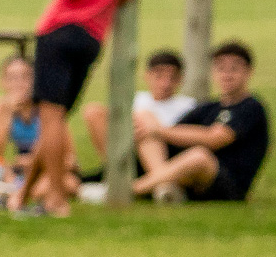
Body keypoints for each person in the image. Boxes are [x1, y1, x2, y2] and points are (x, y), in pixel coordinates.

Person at [12, 0, 134, 218]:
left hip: (60, 30)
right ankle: (21, 197)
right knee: (57, 120)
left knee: (49, 120)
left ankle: (54, 200)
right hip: (94, 36)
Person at [133, 41, 269, 204]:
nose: (227, 75)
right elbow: (175, 131)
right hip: (192, 179)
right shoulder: (209, 107)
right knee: (146, 117)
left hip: (227, 184)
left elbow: (215, 139)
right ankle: (163, 187)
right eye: (221, 68)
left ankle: (131, 189)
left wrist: (158, 130)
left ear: (248, 72)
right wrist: (152, 129)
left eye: (234, 69)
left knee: (199, 155)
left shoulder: (251, 107)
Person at [0, 53, 76, 205]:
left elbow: (71, 160)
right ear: (3, 82)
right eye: (12, 78)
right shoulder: (1, 106)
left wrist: (33, 162)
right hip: (13, 173)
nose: (19, 84)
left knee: (68, 184)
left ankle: (11, 192)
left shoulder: (49, 109)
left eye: (25, 77)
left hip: (43, 172)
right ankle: (13, 187)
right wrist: (8, 114)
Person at [82, 49, 197, 177]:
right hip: (132, 150)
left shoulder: (188, 105)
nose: (166, 83)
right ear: (147, 75)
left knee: (146, 124)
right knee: (93, 111)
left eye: (172, 78)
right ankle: (116, 171)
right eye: (159, 76)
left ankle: (160, 178)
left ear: (180, 79)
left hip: (167, 153)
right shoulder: (135, 100)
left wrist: (156, 130)